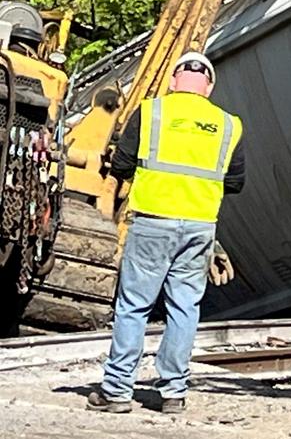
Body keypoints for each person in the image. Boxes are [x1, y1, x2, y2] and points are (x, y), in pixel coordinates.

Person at [87, 52, 245, 414]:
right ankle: (173, 392)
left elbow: (122, 164)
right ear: (209, 87)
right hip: (199, 227)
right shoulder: (228, 124)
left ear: (173, 82)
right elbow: (235, 182)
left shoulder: (151, 112)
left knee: (133, 306)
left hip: (152, 223)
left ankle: (116, 391)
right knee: (184, 308)